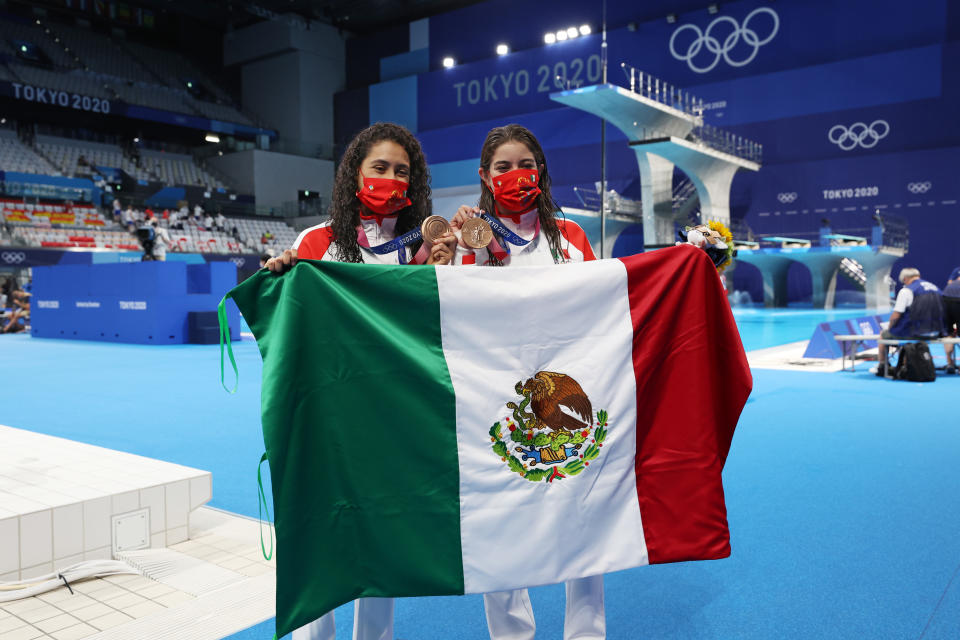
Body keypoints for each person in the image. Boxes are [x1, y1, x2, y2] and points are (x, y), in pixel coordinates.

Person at [264, 122, 456, 640]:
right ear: (355, 173)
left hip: (390, 420)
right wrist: (280, 276)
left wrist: (443, 272)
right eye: (380, 167)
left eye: (402, 171)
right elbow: (286, 326)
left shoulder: (420, 248)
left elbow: (439, 331)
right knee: (318, 533)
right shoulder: (316, 241)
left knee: (380, 539)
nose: (391, 178)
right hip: (324, 421)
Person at [449, 124, 601, 640]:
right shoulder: (470, 238)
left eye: (525, 164)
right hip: (495, 400)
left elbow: (607, 306)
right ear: (484, 177)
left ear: (541, 171)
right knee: (501, 519)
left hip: (569, 395)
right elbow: (454, 312)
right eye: (503, 167)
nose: (516, 175)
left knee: (581, 514)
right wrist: (466, 245)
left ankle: (586, 633)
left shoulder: (572, 235)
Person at [876, 267, 944, 377]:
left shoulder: (906, 291)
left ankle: (882, 366)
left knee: (884, 335)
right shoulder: (936, 289)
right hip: (936, 332)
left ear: (905, 279)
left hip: (916, 333)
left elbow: (896, 315)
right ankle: (906, 364)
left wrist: (890, 328)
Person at [943, 266, 960, 374]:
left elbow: (949, 282)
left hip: (946, 296)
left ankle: (950, 363)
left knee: (948, 332)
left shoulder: (957, 270)